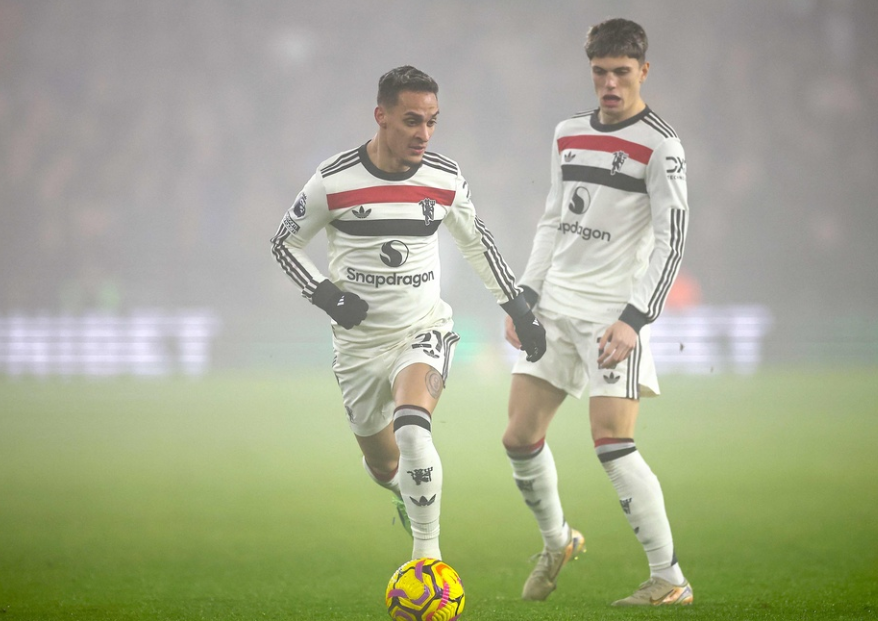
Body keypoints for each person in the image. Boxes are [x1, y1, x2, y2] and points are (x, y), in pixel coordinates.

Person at [270, 65, 546, 563]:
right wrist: (327, 295)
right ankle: (405, 493)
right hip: (357, 346)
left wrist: (519, 309)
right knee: (381, 465)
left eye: (433, 122)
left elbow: (478, 244)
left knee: (413, 427)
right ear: (381, 116)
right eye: (412, 120)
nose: (424, 134)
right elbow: (284, 244)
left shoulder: (444, 177)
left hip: (422, 331)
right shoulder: (333, 181)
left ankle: (428, 562)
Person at [501, 19, 693, 606]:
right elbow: (552, 218)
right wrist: (525, 296)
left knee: (611, 442)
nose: (609, 84)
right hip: (556, 304)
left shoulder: (662, 146)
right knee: (518, 437)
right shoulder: (567, 133)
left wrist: (635, 319)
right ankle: (557, 539)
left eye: (621, 73)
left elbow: (672, 238)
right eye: (600, 72)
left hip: (611, 316)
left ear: (643, 72)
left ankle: (669, 580)